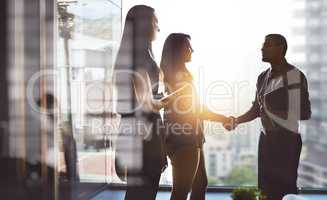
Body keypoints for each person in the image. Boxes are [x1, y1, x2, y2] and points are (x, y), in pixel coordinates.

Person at [225, 34, 311, 200]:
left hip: (287, 142)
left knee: (285, 191)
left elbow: (305, 112)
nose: (262, 49)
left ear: (281, 48)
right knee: (264, 190)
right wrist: (236, 120)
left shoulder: (294, 76)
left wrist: (274, 110)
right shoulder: (262, 77)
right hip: (266, 140)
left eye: (267, 45)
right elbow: (256, 109)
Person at [160, 33, 230, 200]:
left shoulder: (180, 75)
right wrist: (223, 119)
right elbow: (195, 110)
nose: (192, 50)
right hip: (184, 139)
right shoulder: (178, 79)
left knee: (200, 184)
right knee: (181, 192)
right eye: (188, 46)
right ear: (177, 50)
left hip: (190, 137)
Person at [113, 5, 168, 200]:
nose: (157, 27)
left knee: (140, 191)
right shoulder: (139, 56)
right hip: (143, 134)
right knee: (143, 192)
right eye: (155, 22)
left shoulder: (138, 53)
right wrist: (172, 99)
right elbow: (146, 103)